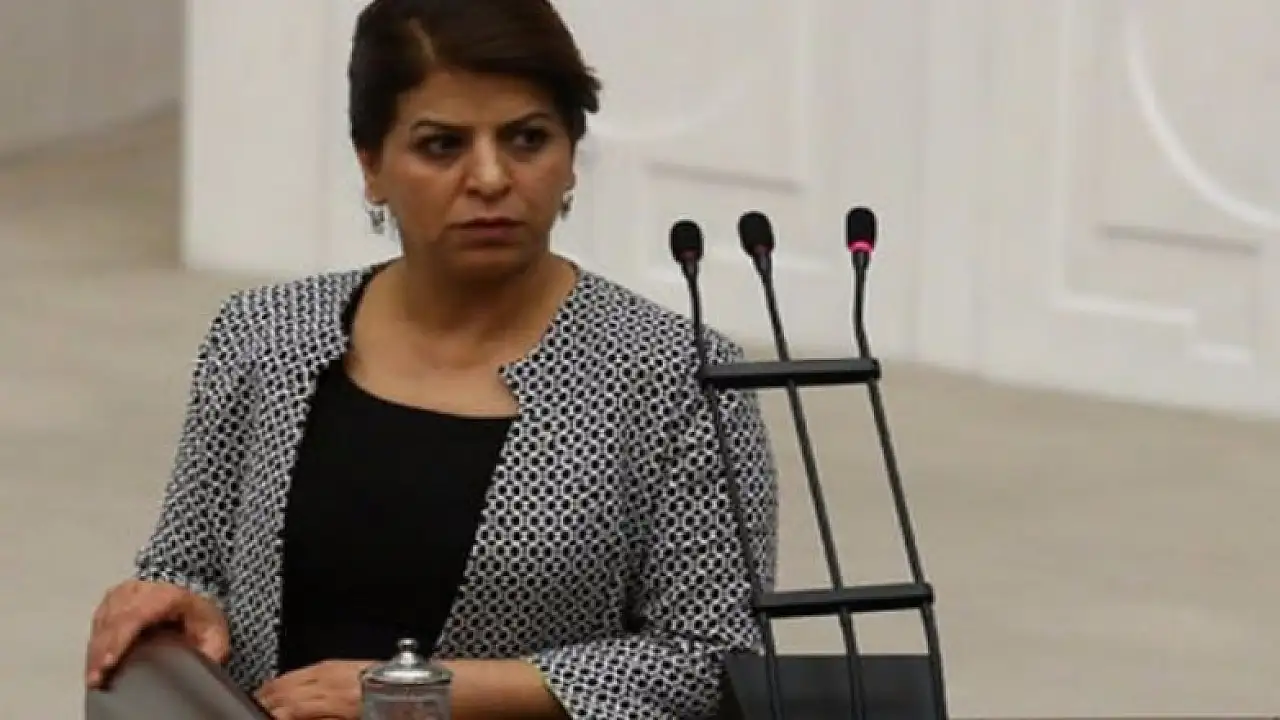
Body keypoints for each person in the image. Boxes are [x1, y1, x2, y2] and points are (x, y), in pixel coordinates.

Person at [83, 0, 778, 718]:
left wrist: (416, 693)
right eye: (443, 145)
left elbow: (713, 657)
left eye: (528, 139)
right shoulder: (265, 334)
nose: (490, 178)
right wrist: (170, 603)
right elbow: (185, 565)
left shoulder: (678, 375)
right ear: (371, 165)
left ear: (571, 156)